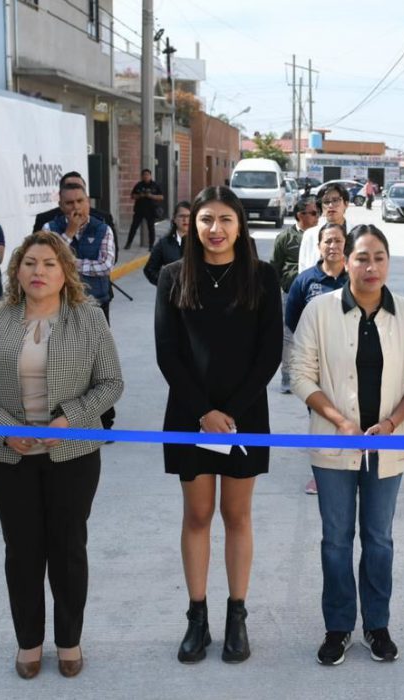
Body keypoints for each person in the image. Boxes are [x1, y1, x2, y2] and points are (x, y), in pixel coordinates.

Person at [0, 231, 123, 680]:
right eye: (30, 263)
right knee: (23, 550)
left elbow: (111, 384)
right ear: (17, 270)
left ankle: (69, 639)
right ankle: (28, 642)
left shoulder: (88, 319)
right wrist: (2, 427)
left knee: (68, 548)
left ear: (65, 270)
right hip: (8, 457)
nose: (38, 272)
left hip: (73, 454)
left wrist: (72, 417)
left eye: (49, 263)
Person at [154, 186, 283, 666]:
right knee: (197, 516)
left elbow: (270, 353)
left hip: (244, 416)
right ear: (192, 224)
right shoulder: (172, 277)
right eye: (206, 219)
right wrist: (203, 413)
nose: (215, 229)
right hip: (190, 416)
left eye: (226, 219)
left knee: (237, 516)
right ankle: (197, 616)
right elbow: (168, 352)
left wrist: (230, 412)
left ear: (240, 225)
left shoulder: (263, 278)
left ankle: (236, 615)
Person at [291, 224, 404, 666]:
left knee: (379, 538)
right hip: (334, 445)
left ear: (389, 263)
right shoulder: (319, 310)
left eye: (379, 258)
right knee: (335, 539)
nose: (371, 267)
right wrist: (337, 420)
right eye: (362, 257)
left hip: (387, 445)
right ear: (344, 261)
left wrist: (391, 422)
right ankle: (338, 627)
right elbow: (302, 375)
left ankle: (377, 625)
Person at [286, 223, 350, 496]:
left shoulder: (354, 277)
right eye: (328, 241)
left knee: (350, 414)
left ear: (345, 244)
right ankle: (321, 476)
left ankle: (350, 472)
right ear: (319, 246)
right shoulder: (305, 281)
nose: (333, 246)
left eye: (338, 241)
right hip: (316, 361)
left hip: (351, 360)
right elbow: (292, 318)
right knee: (321, 417)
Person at [270, 196, 320, 393]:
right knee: (289, 337)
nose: (318, 217)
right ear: (300, 215)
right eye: (314, 213)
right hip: (290, 294)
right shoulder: (285, 238)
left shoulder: (321, 236)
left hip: (316, 294)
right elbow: (275, 266)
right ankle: (287, 377)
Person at [43, 183, 116, 319]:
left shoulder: (103, 229)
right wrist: (69, 233)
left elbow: (106, 266)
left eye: (80, 201)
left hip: (96, 303)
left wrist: (69, 263)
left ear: (88, 202)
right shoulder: (49, 228)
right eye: (69, 203)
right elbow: (46, 261)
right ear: (61, 206)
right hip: (60, 304)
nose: (76, 207)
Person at [32, 172, 114, 233]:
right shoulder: (45, 221)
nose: (76, 206)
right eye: (69, 187)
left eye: (79, 200)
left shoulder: (103, 219)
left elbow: (111, 255)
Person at [298, 182, 349, 273]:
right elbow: (303, 268)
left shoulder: (358, 234)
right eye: (326, 202)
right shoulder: (310, 235)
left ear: (346, 204)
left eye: (336, 200)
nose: (330, 205)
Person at [144, 201, 191, 286]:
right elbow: (149, 270)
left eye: (189, 216)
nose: (186, 220)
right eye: (181, 216)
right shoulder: (164, 243)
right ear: (174, 219)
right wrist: (165, 284)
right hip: (172, 296)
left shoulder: (201, 242)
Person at [125, 168, 164, 249]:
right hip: (139, 210)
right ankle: (128, 244)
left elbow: (161, 197)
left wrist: (151, 196)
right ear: (142, 176)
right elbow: (132, 196)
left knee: (151, 229)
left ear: (150, 176)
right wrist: (140, 195)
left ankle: (151, 246)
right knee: (134, 227)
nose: (146, 177)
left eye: (147, 175)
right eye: (144, 175)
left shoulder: (155, 185)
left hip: (151, 210)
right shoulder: (139, 185)